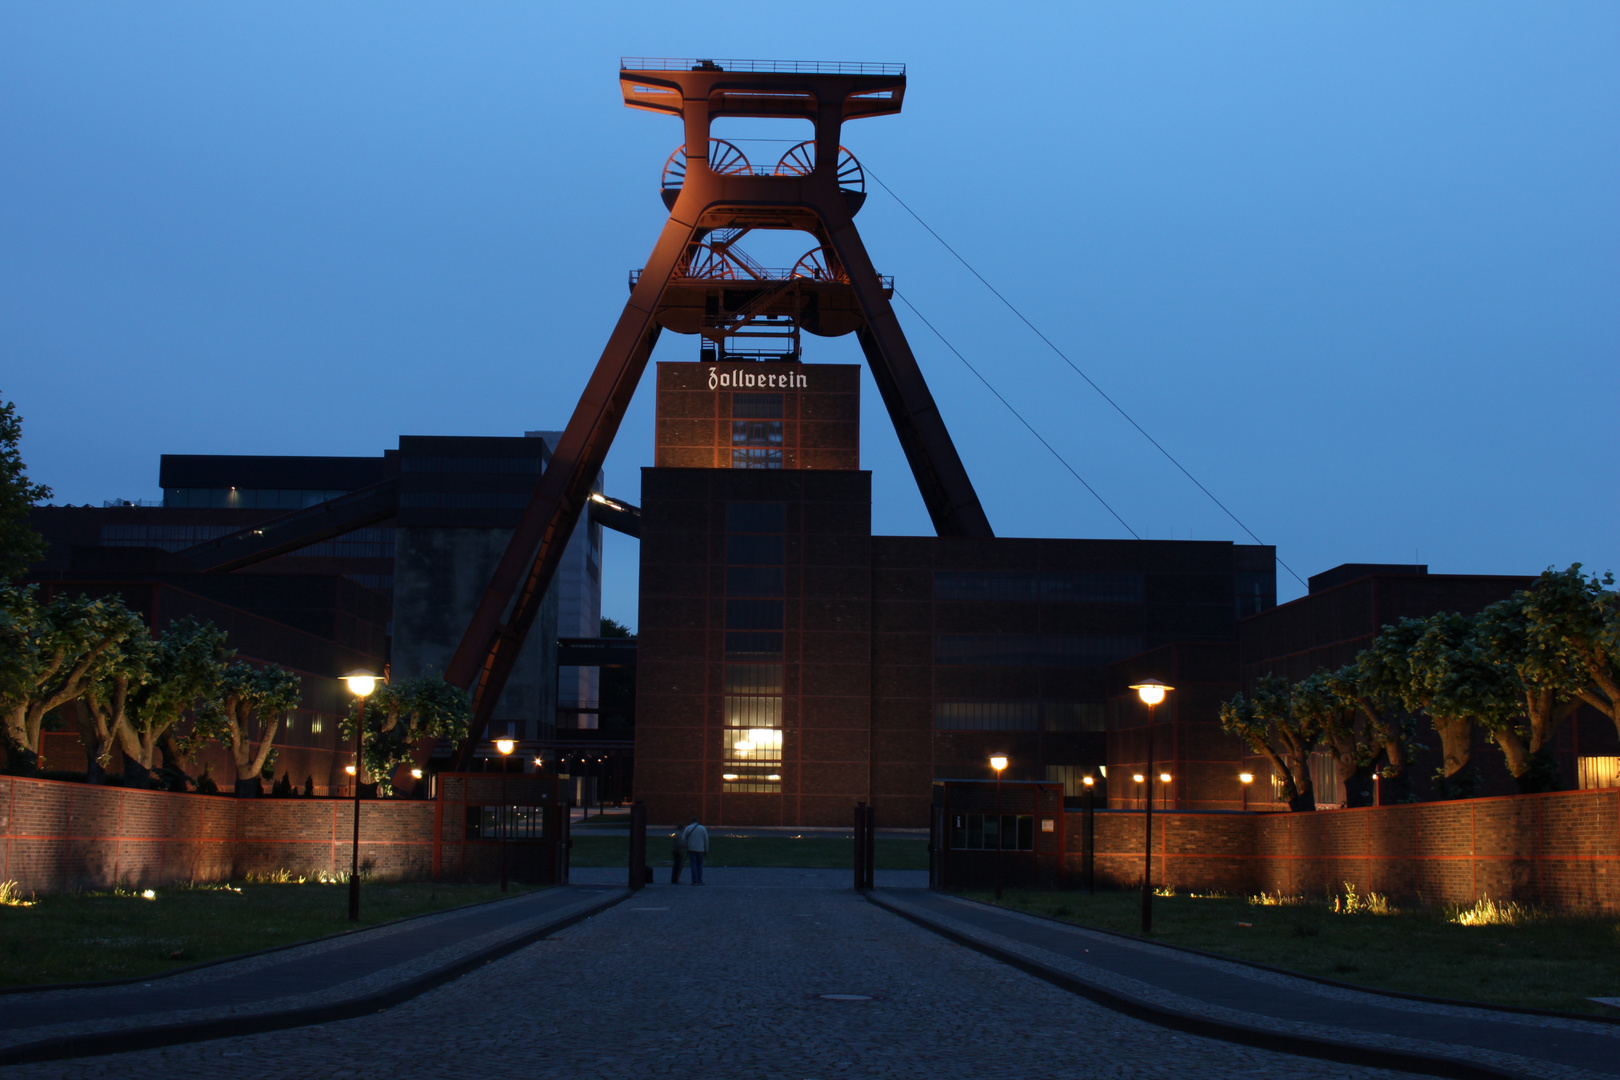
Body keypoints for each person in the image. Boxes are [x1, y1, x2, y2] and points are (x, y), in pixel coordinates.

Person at [683, 816, 709, 885]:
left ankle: (694, 880)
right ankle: (700, 880)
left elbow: (684, 838)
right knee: (699, 865)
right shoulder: (702, 828)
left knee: (693, 865)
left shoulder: (688, 828)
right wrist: (706, 849)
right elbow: (706, 840)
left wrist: (686, 846)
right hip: (700, 849)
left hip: (691, 848)